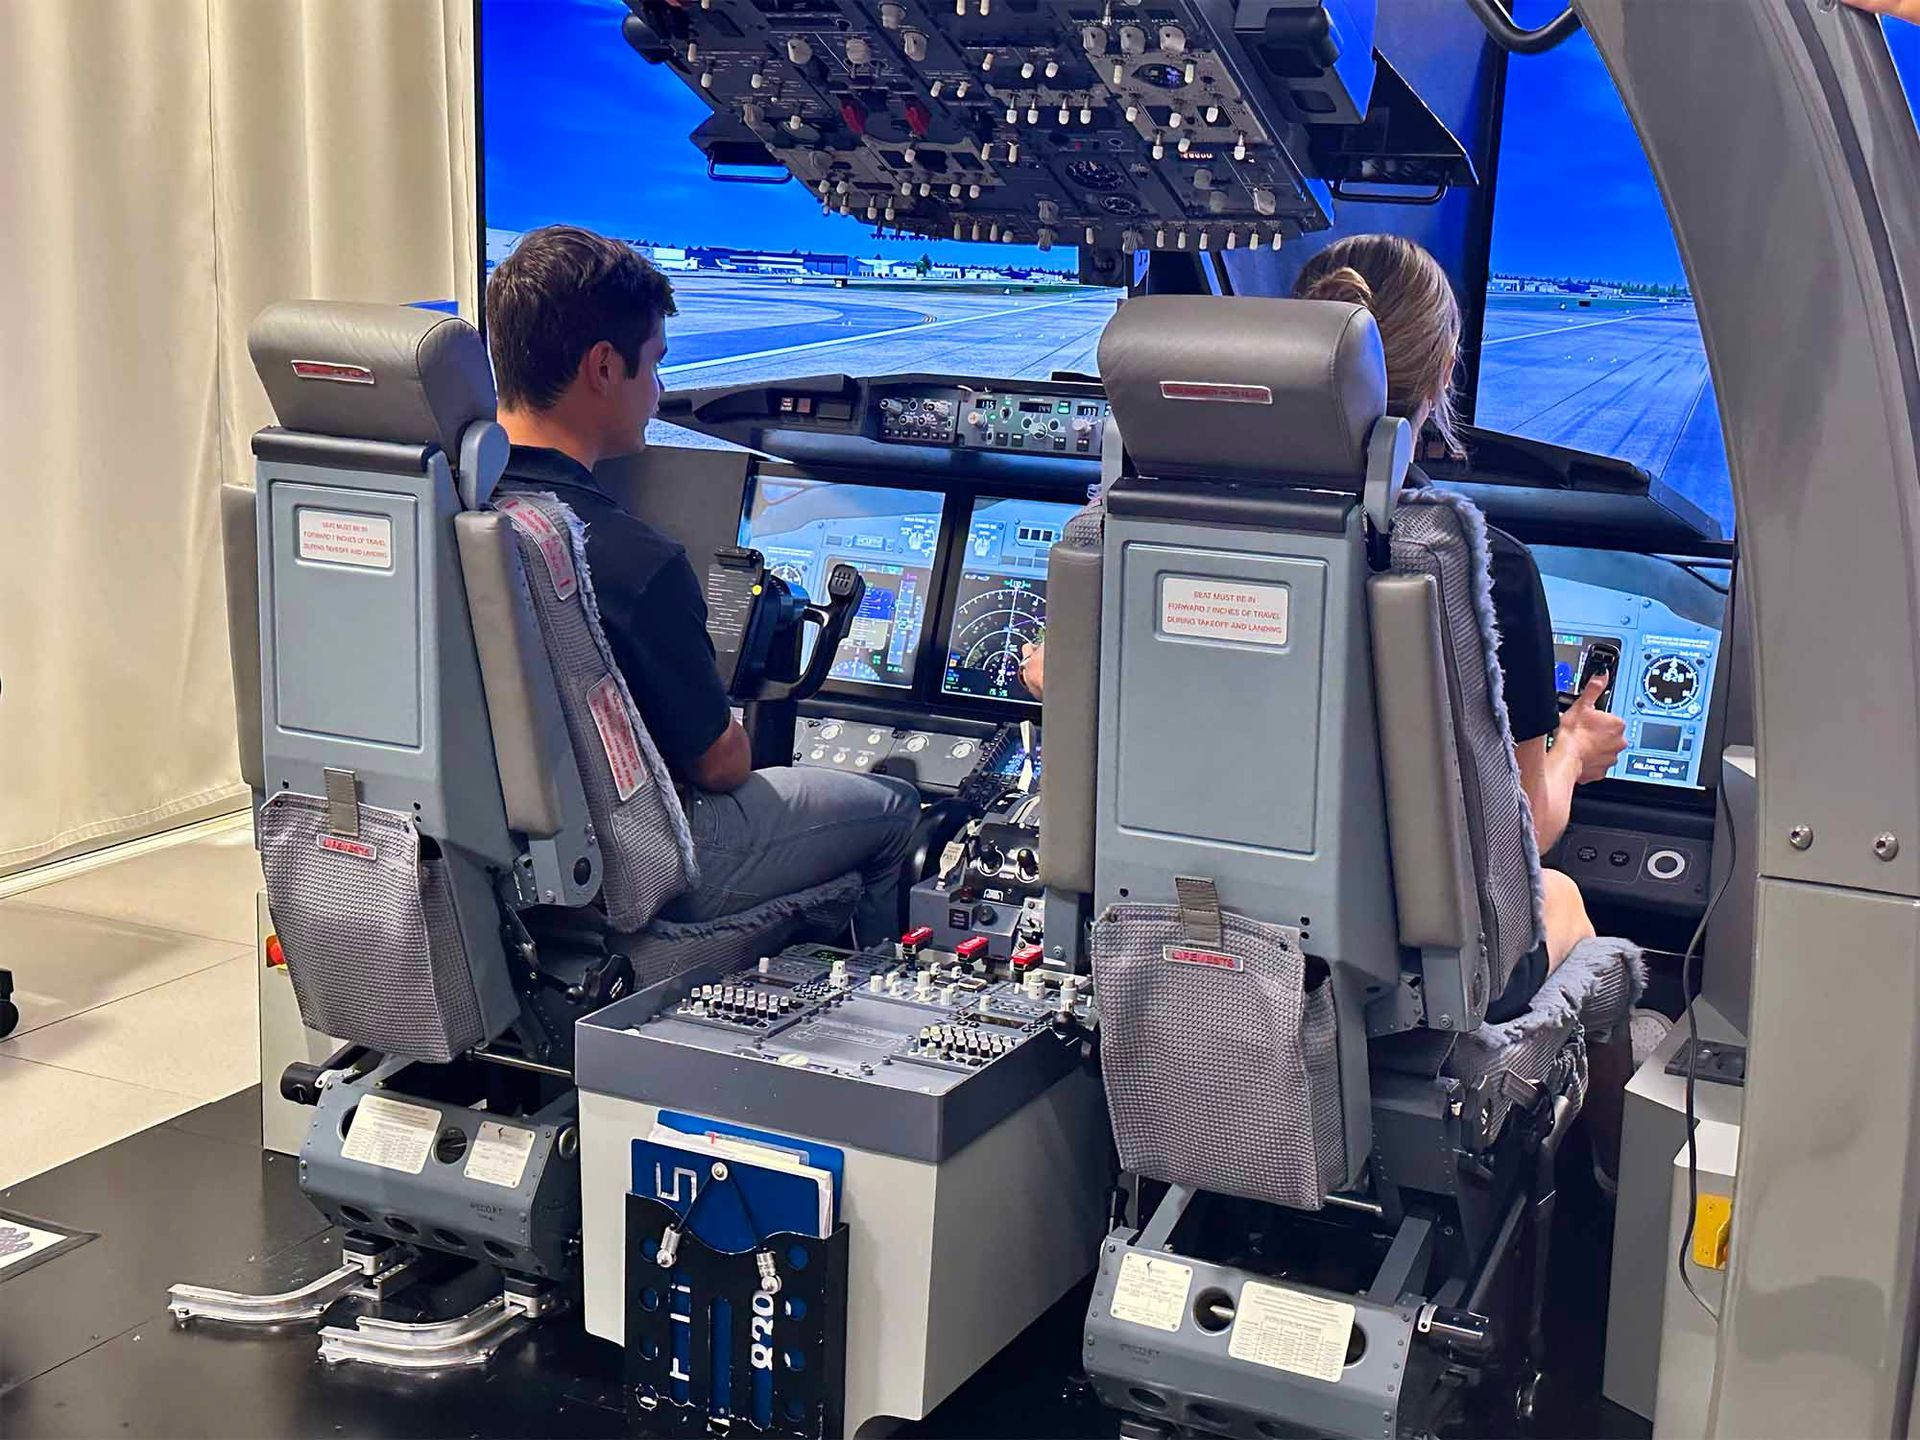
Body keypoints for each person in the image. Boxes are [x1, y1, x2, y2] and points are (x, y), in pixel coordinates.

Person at [1020, 234, 1624, 1015]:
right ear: (1443, 373)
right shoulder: (1470, 562)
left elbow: (1085, 703)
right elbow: (1521, 833)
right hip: (1385, 984)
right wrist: (1573, 750)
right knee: (1568, 903)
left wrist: (1059, 687)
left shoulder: (1133, 532)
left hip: (1153, 942)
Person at [485, 225, 920, 943]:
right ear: (602, 366)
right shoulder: (628, 557)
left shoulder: (455, 510)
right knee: (896, 813)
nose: (657, 390)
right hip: (650, 853)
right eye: (653, 364)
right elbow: (718, 765)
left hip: (505, 864)